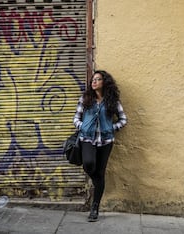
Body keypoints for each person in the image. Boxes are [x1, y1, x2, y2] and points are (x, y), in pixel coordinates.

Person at [73, 70, 127, 222]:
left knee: (101, 172)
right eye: (93, 79)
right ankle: (98, 184)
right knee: (89, 165)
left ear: (104, 82)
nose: (94, 82)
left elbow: (123, 119)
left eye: (98, 79)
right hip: (87, 139)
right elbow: (76, 118)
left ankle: (95, 208)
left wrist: (111, 128)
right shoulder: (85, 98)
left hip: (106, 141)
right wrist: (82, 127)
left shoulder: (112, 101)